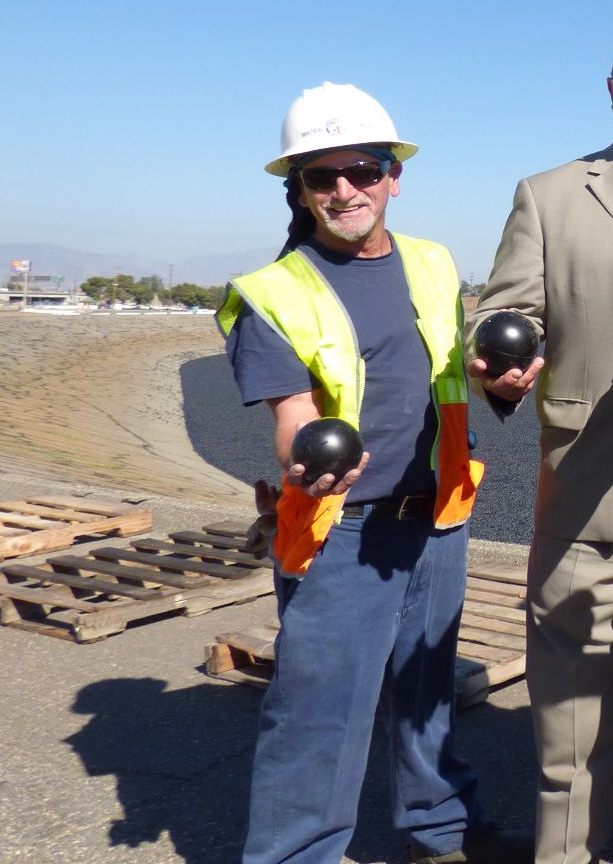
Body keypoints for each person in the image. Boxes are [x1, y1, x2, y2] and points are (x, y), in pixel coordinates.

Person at [219, 82, 528, 864]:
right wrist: (305, 463)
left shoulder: (433, 264)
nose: (345, 190)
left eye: (361, 169)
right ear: (298, 189)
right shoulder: (272, 294)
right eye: (322, 177)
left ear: (395, 175)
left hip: (438, 518)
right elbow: (293, 418)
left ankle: (444, 833)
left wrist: (501, 383)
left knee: (428, 697)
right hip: (341, 533)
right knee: (320, 716)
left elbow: (450, 373)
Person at [469, 30, 613, 863]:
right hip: (588, 487)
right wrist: (503, 365)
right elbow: (507, 313)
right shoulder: (551, 194)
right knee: (574, 726)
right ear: (611, 93)